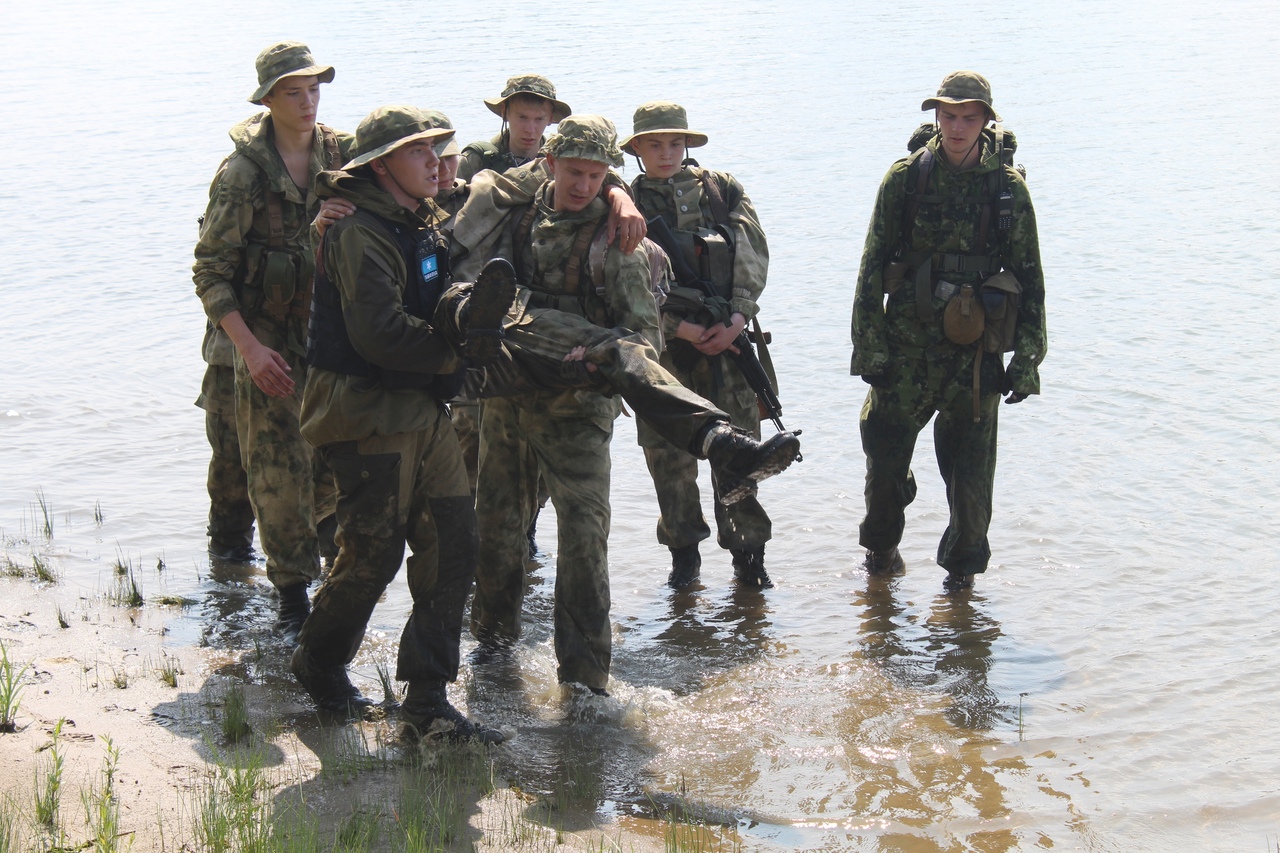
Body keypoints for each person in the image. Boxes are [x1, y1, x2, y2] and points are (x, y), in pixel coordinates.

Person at [455, 116, 802, 695]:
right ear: (549, 165)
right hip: (507, 403)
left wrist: (591, 359)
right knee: (497, 532)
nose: (583, 186)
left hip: (579, 413)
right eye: (573, 173)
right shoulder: (513, 214)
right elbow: (464, 203)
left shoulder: (619, 244)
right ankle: (492, 658)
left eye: (597, 176)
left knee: (584, 539)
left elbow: (645, 341)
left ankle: (587, 682)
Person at [289, 106, 507, 743]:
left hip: (421, 407)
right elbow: (380, 335)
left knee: (452, 542)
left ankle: (428, 697)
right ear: (382, 165)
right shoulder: (357, 230)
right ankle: (319, 663)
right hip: (366, 412)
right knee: (371, 555)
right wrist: (461, 353)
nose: (439, 164)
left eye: (442, 151)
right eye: (422, 153)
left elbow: (524, 185)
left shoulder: (419, 217)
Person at [849, 71, 1047, 591]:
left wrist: (1027, 359)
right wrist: (868, 347)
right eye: (948, 115)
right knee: (885, 461)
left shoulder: (1007, 190)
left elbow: (1030, 276)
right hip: (907, 349)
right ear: (935, 117)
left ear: (985, 121)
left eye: (968, 117)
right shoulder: (906, 179)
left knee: (971, 479)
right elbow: (871, 266)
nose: (957, 127)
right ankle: (882, 553)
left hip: (975, 355)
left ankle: (961, 586)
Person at [193, 41, 346, 639]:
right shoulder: (242, 177)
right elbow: (210, 273)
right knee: (276, 469)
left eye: (313, 90)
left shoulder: (343, 154)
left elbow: (427, 173)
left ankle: (333, 571)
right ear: (267, 99)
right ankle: (290, 596)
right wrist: (251, 352)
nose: (307, 103)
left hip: (328, 332)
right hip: (263, 338)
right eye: (292, 92)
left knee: (335, 459)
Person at [623, 101, 776, 590]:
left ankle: (749, 559)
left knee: (740, 452)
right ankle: (684, 560)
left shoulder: (721, 189)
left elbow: (752, 252)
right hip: (664, 353)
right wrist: (679, 330)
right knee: (667, 458)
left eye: (674, 142)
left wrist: (736, 318)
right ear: (637, 149)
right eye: (653, 144)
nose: (665, 153)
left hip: (729, 344)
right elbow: (620, 281)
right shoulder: (624, 200)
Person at [196, 322, 256, 563]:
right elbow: (211, 287)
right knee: (231, 461)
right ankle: (229, 555)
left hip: (311, 348)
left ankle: (334, 561)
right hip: (231, 355)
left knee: (320, 460)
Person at [457, 74, 571, 181]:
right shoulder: (476, 162)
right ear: (504, 112)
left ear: (550, 118)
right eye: (522, 117)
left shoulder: (561, 164)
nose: (530, 129)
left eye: (539, 119)